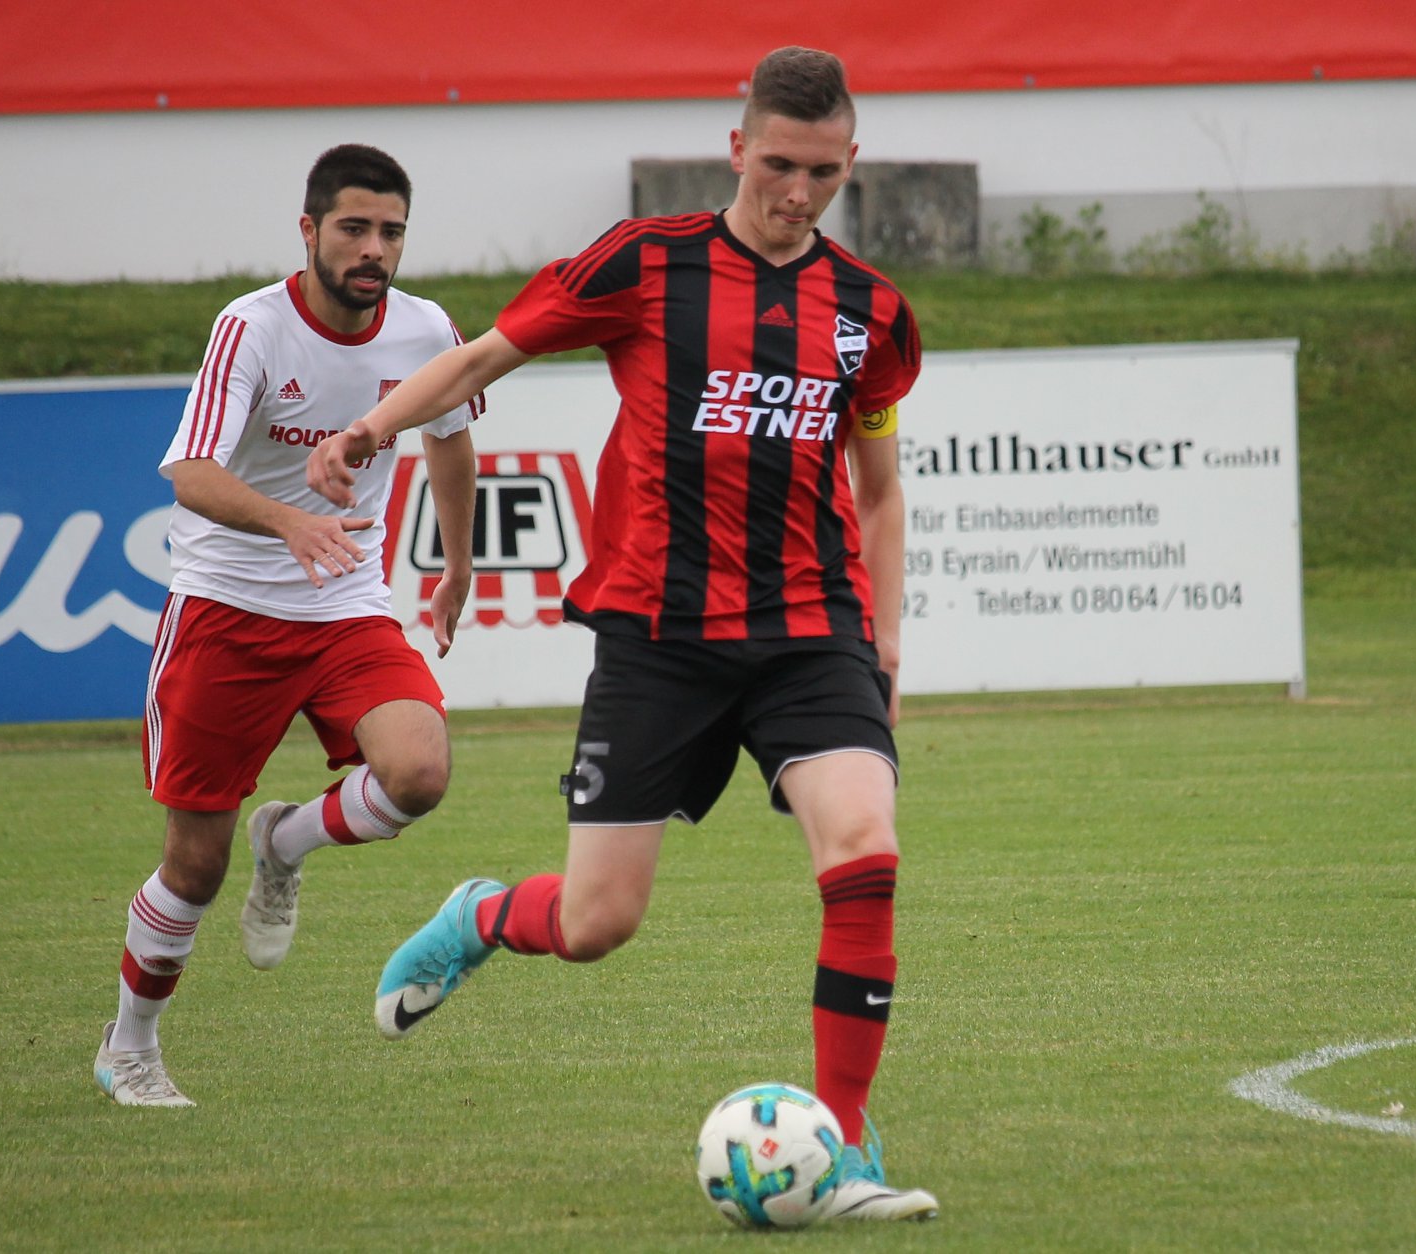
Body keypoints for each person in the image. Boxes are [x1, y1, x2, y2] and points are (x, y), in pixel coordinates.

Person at [306, 48, 936, 1220]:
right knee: (598, 923)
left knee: (866, 852)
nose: (797, 192)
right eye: (778, 165)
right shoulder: (647, 265)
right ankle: (486, 916)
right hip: (660, 638)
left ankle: (845, 1145)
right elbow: (489, 353)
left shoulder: (872, 314)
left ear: (852, 163)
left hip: (813, 632)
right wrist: (371, 428)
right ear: (738, 148)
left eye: (823, 172)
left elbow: (882, 488)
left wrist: (886, 638)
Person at [94, 143, 480, 1108]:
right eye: (353, 228)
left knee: (418, 771)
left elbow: (450, 438)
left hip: (345, 605)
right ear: (308, 231)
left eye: (390, 231)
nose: (372, 249)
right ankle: (129, 1045)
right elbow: (190, 474)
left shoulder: (427, 328)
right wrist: (290, 522)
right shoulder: (252, 327)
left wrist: (456, 565)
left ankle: (290, 844)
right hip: (226, 611)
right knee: (193, 864)